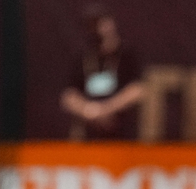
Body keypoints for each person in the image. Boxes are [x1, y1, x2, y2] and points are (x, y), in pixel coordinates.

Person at [60, 4, 144, 140]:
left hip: (123, 132)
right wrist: (89, 111)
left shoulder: (127, 54)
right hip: (89, 133)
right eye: (94, 25)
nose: (100, 29)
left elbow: (137, 90)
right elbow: (69, 96)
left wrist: (106, 109)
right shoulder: (83, 55)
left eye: (103, 22)